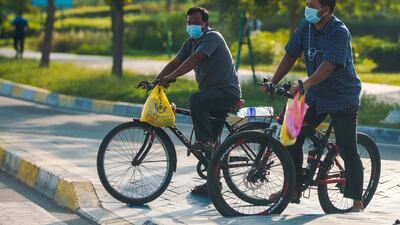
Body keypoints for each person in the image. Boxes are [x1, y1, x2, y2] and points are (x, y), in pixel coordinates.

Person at [260, 0, 364, 212]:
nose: (307, 6)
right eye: (307, 2)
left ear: (325, 9)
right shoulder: (305, 27)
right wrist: (274, 81)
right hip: (315, 94)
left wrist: (304, 85)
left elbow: (328, 66)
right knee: (289, 132)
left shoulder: (339, 31)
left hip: (342, 97)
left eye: (312, 3)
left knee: (346, 147)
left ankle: (357, 201)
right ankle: (293, 189)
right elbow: (290, 55)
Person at [153, 7, 241, 194]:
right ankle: (213, 184)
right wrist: (157, 80)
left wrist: (171, 77)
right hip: (212, 93)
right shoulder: (190, 42)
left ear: (205, 24)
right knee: (214, 143)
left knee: (196, 100)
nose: (192, 26)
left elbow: (195, 59)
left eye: (196, 22)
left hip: (226, 92)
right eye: (189, 23)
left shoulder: (212, 38)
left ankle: (204, 142)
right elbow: (175, 62)